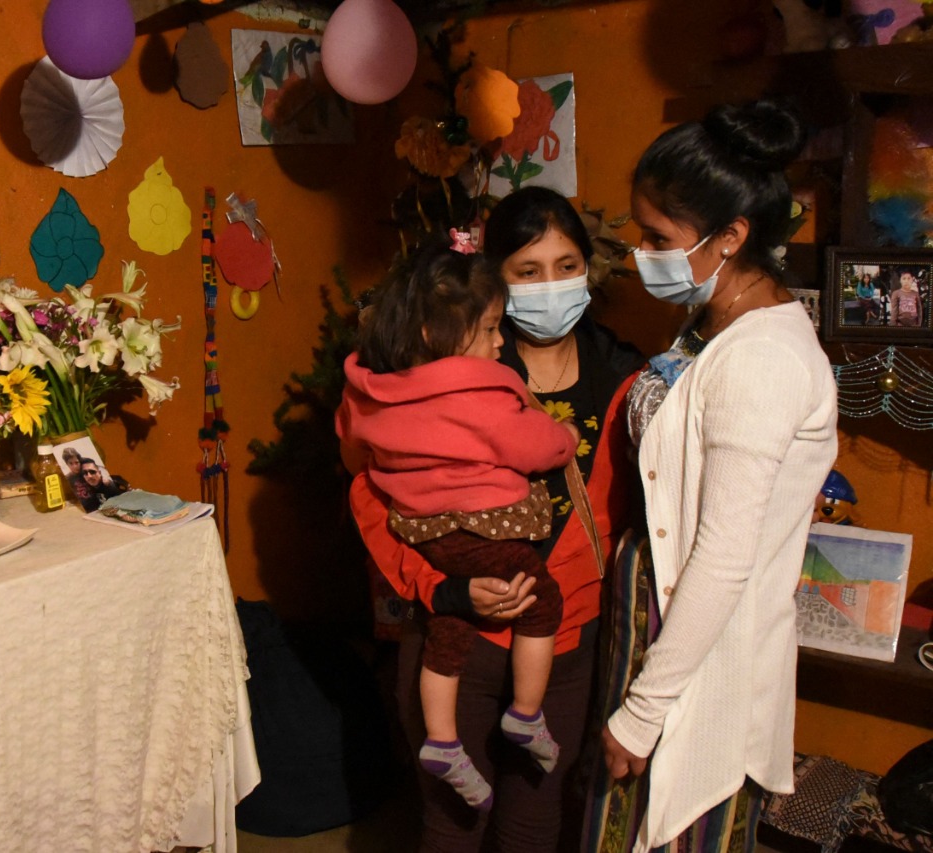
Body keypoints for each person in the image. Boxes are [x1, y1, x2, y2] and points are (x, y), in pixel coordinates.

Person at [350, 185, 644, 852]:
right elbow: (371, 495)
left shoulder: (625, 376)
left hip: (569, 641)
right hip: (457, 637)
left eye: (567, 266)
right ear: (496, 281)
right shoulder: (449, 367)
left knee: (537, 822)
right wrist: (441, 588)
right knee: (451, 822)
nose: (552, 286)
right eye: (528, 271)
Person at [588, 99, 838, 853]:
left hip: (694, 639)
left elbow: (725, 555)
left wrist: (644, 708)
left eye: (659, 237)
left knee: (674, 823)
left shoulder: (760, 361)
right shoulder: (710, 322)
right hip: (651, 619)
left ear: (731, 237)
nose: (641, 252)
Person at [338, 240, 580, 811]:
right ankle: (526, 714)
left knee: (448, 625)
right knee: (542, 602)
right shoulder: (479, 395)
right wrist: (564, 438)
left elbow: (354, 455)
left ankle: (443, 741)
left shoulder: (370, 394)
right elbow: (536, 446)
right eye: (492, 328)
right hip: (489, 535)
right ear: (435, 334)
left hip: (425, 539)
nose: (502, 341)